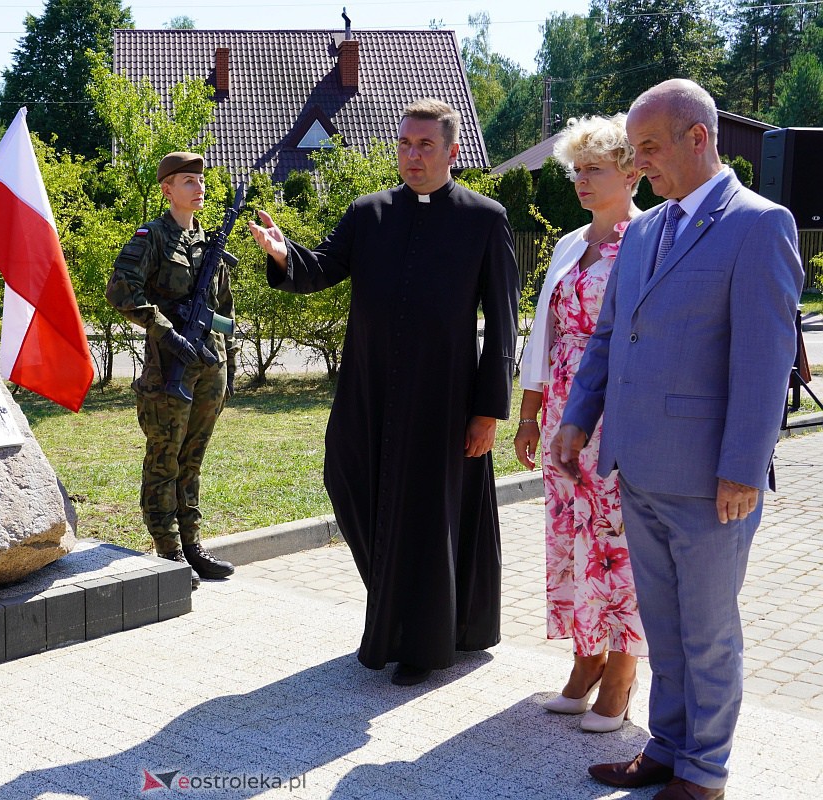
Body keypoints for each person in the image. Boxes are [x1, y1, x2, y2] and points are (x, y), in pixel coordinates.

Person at [552, 80, 803, 799]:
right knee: (663, 626)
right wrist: (577, 417)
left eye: (650, 148)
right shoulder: (644, 231)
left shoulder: (760, 224)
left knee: (708, 633)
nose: (640, 164)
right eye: (635, 151)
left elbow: (764, 360)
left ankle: (704, 772)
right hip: (637, 468)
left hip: (710, 480)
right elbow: (609, 337)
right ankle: (666, 747)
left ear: (699, 137)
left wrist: (742, 468)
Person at [248, 99, 519, 686]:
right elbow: (321, 267)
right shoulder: (368, 213)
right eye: (404, 144)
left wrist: (488, 411)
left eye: (425, 145)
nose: (412, 156)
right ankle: (399, 610)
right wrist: (283, 254)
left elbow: (503, 322)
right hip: (368, 391)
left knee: (427, 514)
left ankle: (419, 641)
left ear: (452, 152)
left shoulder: (484, 218)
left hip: (444, 400)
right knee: (348, 480)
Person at [513, 114, 647, 733]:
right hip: (563, 411)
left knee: (616, 542)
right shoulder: (570, 243)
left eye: (595, 169)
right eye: (576, 170)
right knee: (571, 537)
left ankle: (622, 669)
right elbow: (543, 334)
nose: (581, 180)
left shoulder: (649, 238)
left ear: (631, 172)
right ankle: (585, 657)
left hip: (617, 412)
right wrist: (530, 412)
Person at [105, 151, 238, 587]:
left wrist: (229, 361)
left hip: (210, 367)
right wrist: (165, 331)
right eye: (188, 181)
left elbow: (224, 309)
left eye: (201, 181)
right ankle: (169, 550)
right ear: (167, 189)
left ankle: (193, 544)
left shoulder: (210, 243)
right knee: (165, 458)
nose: (199, 188)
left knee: (192, 459)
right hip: (169, 367)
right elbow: (121, 290)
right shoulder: (153, 237)